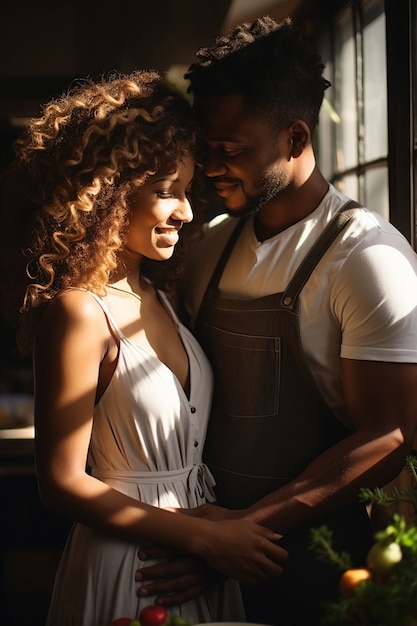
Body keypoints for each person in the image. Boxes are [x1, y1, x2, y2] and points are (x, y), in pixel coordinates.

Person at [133, 16, 417, 626]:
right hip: (200, 543)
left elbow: (389, 435)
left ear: (294, 138)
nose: (210, 167)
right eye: (205, 148)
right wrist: (203, 536)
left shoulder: (366, 258)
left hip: (313, 556)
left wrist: (242, 533)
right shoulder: (208, 245)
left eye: (231, 150)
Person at [0, 69, 287, 626]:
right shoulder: (81, 312)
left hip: (199, 559)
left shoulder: (159, 294)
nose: (186, 210)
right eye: (165, 192)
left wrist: (212, 535)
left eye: (185, 190)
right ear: (108, 194)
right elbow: (61, 483)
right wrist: (203, 537)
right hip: (131, 565)